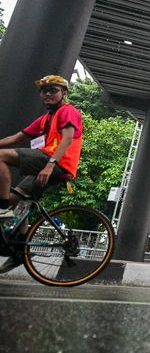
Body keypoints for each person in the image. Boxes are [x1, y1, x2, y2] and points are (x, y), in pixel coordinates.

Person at [0, 75, 83, 272]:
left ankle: (1, 208)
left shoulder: (68, 111)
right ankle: (21, 249)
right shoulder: (46, 119)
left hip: (54, 162)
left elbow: (68, 138)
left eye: (53, 90)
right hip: (47, 162)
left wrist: (50, 165)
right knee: (19, 200)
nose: (48, 94)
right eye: (44, 91)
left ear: (64, 93)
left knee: (1, 157)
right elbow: (17, 138)